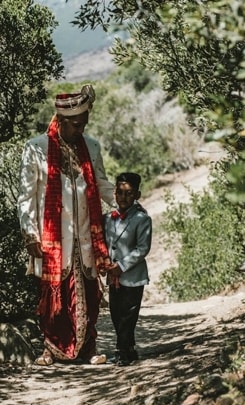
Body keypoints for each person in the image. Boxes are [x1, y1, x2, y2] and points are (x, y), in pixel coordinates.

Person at [17, 84, 115, 366]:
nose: (79, 130)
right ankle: (52, 349)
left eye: (83, 124)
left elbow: (101, 184)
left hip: (86, 236)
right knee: (54, 298)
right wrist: (30, 233)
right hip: (52, 239)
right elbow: (27, 196)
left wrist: (121, 198)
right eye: (74, 125)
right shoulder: (36, 149)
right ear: (59, 121)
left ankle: (87, 349)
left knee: (90, 294)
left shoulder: (91, 147)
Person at [102, 172, 152, 367]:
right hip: (113, 277)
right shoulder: (108, 218)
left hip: (132, 276)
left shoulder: (142, 219)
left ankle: (122, 351)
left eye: (129, 193)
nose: (123, 198)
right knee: (115, 313)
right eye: (120, 193)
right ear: (114, 193)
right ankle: (129, 348)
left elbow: (142, 248)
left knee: (128, 315)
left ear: (137, 195)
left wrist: (121, 266)